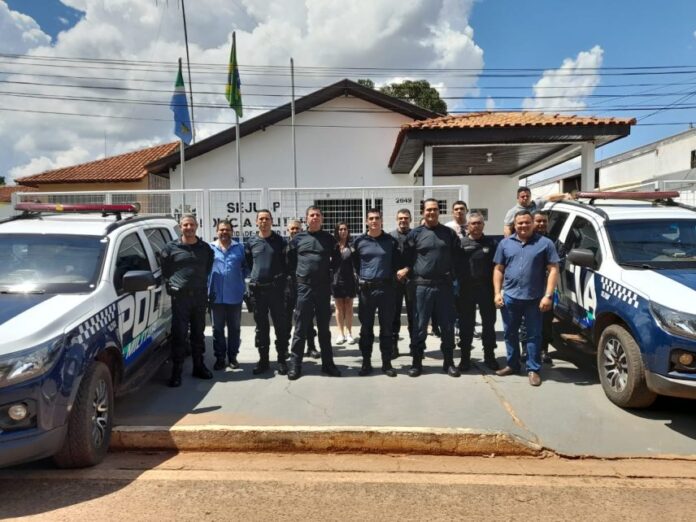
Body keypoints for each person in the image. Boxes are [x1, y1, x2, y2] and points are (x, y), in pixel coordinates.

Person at [493, 210, 560, 387]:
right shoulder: (505, 244)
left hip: (534, 299)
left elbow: (553, 269)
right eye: (520, 223)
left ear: (533, 223)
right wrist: (497, 293)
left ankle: (533, 369)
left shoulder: (545, 243)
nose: (523, 226)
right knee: (510, 333)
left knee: (533, 335)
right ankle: (513, 365)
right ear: (514, 225)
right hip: (511, 298)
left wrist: (548, 295)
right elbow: (499, 269)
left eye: (526, 222)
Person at [398, 198, 461, 378]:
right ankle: (417, 363)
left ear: (439, 212)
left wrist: (453, 277)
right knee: (419, 326)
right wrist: (408, 273)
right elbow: (406, 259)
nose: (431, 213)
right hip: (421, 287)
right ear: (423, 212)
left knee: (447, 326)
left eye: (434, 210)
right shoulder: (415, 234)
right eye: (428, 210)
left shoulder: (449, 233)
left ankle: (448, 362)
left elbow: (457, 257)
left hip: (444, 287)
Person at [286, 206, 341, 380]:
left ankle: (328, 365)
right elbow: (290, 260)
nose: (315, 218)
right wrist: (299, 277)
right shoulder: (298, 239)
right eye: (312, 215)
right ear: (306, 219)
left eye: (318, 215)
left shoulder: (329, 239)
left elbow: (337, 260)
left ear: (322, 218)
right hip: (304, 289)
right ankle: (295, 365)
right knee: (300, 328)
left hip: (323, 289)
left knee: (324, 329)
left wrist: (328, 275)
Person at [160, 214, 214, 387]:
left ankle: (199, 366)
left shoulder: (205, 248)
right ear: (180, 227)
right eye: (185, 225)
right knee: (179, 335)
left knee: (198, 334)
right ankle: (176, 372)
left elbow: (207, 269)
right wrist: (173, 285)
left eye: (191, 224)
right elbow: (165, 271)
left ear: (197, 226)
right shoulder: (170, 248)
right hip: (180, 298)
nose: (189, 228)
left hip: (199, 296)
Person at [352, 208, 401, 377]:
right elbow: (355, 264)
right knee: (366, 329)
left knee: (386, 329)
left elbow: (396, 263)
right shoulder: (359, 242)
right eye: (371, 218)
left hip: (386, 290)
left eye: (377, 218)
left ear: (381, 221)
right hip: (366, 291)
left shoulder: (390, 241)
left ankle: (386, 364)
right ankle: (366, 363)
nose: (374, 221)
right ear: (366, 221)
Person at [245, 209, 289, 376]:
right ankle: (263, 361)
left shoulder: (280, 241)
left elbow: (286, 264)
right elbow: (250, 263)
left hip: (276, 291)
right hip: (258, 293)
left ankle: (282, 360)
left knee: (280, 326)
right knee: (261, 328)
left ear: (272, 221)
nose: (264, 221)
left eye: (267, 219)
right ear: (257, 222)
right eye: (261, 219)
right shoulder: (251, 242)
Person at [457, 211, 499, 371]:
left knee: (489, 325)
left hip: (486, 289)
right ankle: (465, 359)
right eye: (473, 223)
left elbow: (498, 267)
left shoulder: (492, 243)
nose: (476, 226)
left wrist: (497, 291)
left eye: (479, 223)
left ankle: (489, 356)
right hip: (466, 290)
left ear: (483, 224)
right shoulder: (461, 244)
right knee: (466, 325)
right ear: (468, 225)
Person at [208, 219, 246, 372]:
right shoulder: (210, 248)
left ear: (232, 232)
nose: (224, 232)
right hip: (215, 296)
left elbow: (246, 268)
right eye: (221, 230)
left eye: (227, 230)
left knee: (234, 328)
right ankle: (220, 358)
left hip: (235, 295)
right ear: (217, 231)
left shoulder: (240, 248)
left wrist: (241, 282)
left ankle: (233, 357)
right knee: (217, 329)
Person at [532, 210, 567, 364]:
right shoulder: (527, 240)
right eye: (538, 221)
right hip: (529, 288)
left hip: (547, 288)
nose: (541, 224)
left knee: (546, 320)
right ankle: (527, 350)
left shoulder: (555, 242)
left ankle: (543, 350)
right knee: (527, 321)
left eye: (544, 221)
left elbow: (559, 265)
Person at [284, 219, 319, 359]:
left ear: (301, 229)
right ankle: (285, 349)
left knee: (308, 318)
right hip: (288, 288)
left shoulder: (306, 244)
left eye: (297, 228)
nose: (295, 231)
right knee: (286, 320)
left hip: (304, 287)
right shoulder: (284, 246)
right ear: (288, 230)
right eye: (292, 229)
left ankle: (311, 347)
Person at [390, 208, 415, 359]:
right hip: (395, 282)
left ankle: (415, 346)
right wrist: (395, 273)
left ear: (410, 220)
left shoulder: (416, 235)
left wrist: (407, 270)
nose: (403, 220)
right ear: (396, 219)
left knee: (414, 315)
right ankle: (394, 347)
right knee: (394, 315)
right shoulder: (390, 236)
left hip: (412, 280)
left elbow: (419, 257)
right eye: (400, 218)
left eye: (406, 218)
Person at [503, 187, 572, 236]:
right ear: (518, 198)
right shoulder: (512, 212)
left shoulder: (536, 204)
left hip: (537, 238)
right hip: (522, 239)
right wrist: (510, 244)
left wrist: (564, 195)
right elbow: (507, 229)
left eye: (527, 196)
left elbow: (550, 197)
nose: (525, 198)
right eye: (523, 196)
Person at [332, 221, 357, 345]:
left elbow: (357, 262)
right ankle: (340, 334)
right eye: (340, 229)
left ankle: (349, 333)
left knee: (349, 306)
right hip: (336, 280)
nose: (343, 231)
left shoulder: (352, 246)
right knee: (339, 307)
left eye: (345, 229)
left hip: (349, 280)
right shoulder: (333, 246)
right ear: (337, 231)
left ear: (348, 231)